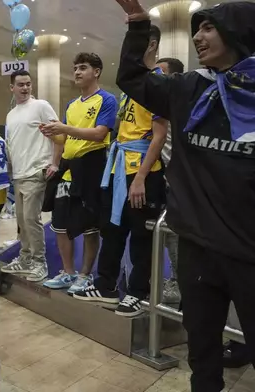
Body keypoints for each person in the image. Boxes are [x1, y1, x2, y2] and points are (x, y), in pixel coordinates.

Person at [115, 1, 255, 390]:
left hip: (249, 251)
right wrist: (140, 25)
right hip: (198, 246)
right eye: (197, 28)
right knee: (203, 354)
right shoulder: (190, 88)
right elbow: (131, 77)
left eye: (209, 28)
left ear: (238, 32)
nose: (197, 37)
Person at [72, 26, 167, 317]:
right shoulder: (131, 87)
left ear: (150, 45)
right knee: (112, 229)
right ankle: (106, 285)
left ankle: (138, 292)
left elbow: (159, 135)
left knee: (140, 234)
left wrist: (140, 177)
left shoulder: (159, 83)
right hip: (118, 166)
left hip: (142, 170)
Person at [40, 53, 118, 294]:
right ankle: (68, 272)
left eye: (82, 68)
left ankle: (85, 275)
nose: (76, 72)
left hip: (92, 167)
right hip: (68, 168)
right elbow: (64, 139)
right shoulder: (71, 105)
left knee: (89, 226)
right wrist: (52, 132)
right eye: (74, 68)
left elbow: (99, 134)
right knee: (60, 223)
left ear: (96, 71)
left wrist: (64, 127)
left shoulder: (107, 100)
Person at [0, 70, 61, 282]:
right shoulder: (11, 114)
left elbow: (59, 134)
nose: (25, 88)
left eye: (28, 84)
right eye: (20, 84)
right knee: (22, 220)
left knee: (30, 219)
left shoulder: (41, 106)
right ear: (12, 88)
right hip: (18, 174)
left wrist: (54, 163)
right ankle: (25, 258)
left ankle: (39, 262)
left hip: (36, 170)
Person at [155, 57, 185, 305]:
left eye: (160, 72)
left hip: (181, 181)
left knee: (176, 234)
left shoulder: (182, 105)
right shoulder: (159, 105)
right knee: (167, 235)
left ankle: (180, 283)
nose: (155, 76)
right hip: (163, 178)